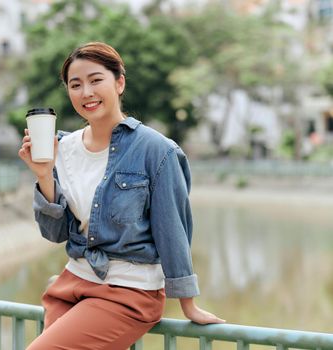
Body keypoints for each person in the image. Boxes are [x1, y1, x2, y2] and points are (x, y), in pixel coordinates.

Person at [18, 42, 224, 350]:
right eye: (76, 85)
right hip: (73, 282)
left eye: (95, 80)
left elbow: (173, 230)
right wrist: (44, 174)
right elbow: (56, 234)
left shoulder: (157, 151)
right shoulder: (64, 148)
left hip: (130, 292)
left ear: (119, 82)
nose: (86, 92)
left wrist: (187, 303)